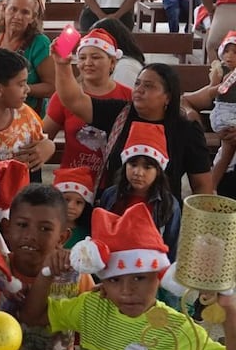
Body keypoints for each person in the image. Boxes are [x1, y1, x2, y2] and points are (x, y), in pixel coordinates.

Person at [20, 203, 236, 350]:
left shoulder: (178, 331)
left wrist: (229, 309)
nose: (127, 291)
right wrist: (47, 272)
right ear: (102, 281)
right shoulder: (92, 308)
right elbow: (32, 317)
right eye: (114, 280)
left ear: (158, 275)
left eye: (139, 278)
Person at [52, 53, 211, 199]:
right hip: (115, 209)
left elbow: (201, 184)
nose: (139, 90)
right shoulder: (120, 113)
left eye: (148, 86)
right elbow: (74, 101)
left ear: (168, 97)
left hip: (162, 215)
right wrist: (62, 65)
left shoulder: (186, 130)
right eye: (137, 84)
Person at [0, 185, 89, 350]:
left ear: (63, 237)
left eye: (45, 228)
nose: (31, 235)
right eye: (22, 225)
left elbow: (87, 330)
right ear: (6, 229)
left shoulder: (77, 277)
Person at [44, 28, 132, 171]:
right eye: (82, 58)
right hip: (72, 182)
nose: (88, 63)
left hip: (114, 182)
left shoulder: (128, 96)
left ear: (112, 62)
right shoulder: (63, 96)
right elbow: (44, 135)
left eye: (96, 57)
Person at [97, 122, 180, 256]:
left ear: (158, 171)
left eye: (147, 167)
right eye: (133, 164)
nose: (138, 172)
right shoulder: (110, 195)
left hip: (148, 269)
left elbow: (171, 247)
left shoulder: (170, 205)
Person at [0, 47, 50, 167]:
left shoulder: (27, 116)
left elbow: (42, 143)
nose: (27, 89)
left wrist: (48, 146)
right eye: (21, 84)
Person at [0, 0, 55, 115]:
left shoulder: (40, 43)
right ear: (4, 9)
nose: (17, 16)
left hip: (26, 114)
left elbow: (51, 87)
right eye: (13, 9)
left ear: (33, 18)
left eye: (25, 12)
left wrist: (18, 89)